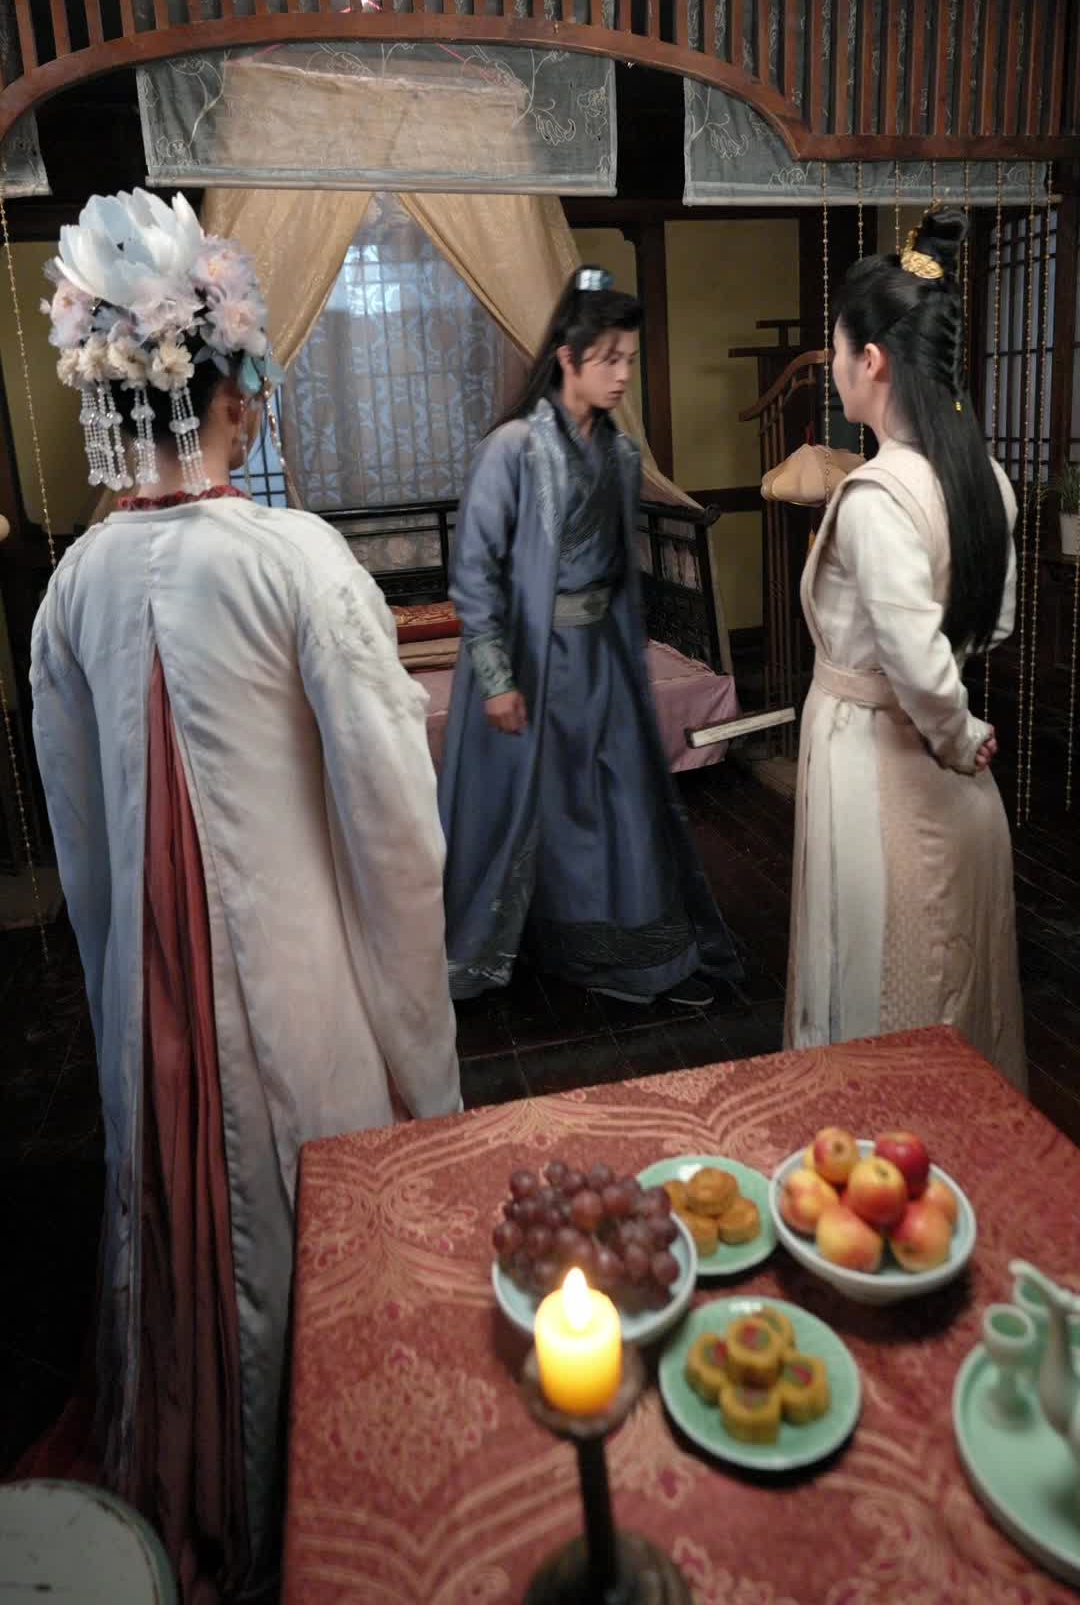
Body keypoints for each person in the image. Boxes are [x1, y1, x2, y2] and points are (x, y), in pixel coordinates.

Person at [29, 191, 460, 1601]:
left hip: (143, 1006)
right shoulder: (297, 565)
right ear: (235, 396)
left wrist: (124, 989)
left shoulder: (69, 592)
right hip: (300, 984)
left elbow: (85, 847)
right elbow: (395, 828)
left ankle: (195, 1476)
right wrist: (418, 1039)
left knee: (172, 1212)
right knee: (309, 1219)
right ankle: (343, 1504)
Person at [438, 265, 743, 1008]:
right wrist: (498, 678)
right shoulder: (512, 449)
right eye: (608, 359)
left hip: (604, 659)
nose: (622, 375)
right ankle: (564, 951)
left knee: (625, 806)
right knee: (559, 811)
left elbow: (617, 572)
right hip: (536, 661)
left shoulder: (620, 454)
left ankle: (638, 955)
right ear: (567, 359)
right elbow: (475, 570)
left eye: (629, 359)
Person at [785, 208, 1026, 1088]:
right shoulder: (983, 477)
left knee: (878, 986)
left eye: (836, 350)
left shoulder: (879, 495)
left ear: (873, 360)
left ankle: (871, 1153)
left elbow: (916, 662)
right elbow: (992, 627)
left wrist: (955, 732)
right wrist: (962, 731)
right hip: (960, 787)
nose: (833, 366)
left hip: (879, 761)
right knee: (956, 986)